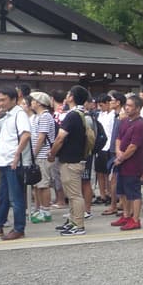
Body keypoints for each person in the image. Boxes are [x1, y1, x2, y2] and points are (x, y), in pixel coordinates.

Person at [0, 86, 31, 241]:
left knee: (15, 197)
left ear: (13, 99)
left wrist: (17, 155)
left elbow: (26, 135)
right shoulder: (7, 115)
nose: (0, 103)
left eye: (3, 100)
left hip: (12, 162)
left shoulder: (19, 114)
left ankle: (19, 228)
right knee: (3, 196)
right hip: (4, 161)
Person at [50, 86, 89, 237]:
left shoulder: (72, 115)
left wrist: (52, 154)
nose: (66, 96)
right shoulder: (79, 114)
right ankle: (73, 221)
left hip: (71, 161)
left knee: (74, 195)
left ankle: (78, 225)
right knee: (72, 194)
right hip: (74, 159)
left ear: (71, 97)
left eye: (68, 93)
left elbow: (60, 138)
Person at [113, 94, 143, 231]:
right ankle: (126, 215)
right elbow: (118, 139)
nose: (127, 108)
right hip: (122, 162)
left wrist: (121, 157)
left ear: (138, 108)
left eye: (130, 105)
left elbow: (133, 146)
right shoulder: (125, 121)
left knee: (134, 192)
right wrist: (118, 152)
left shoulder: (140, 124)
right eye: (126, 105)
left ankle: (135, 219)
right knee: (122, 191)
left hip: (133, 164)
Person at [28, 91, 55, 223]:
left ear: (39, 103)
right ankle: (39, 209)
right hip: (38, 155)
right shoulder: (38, 117)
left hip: (43, 155)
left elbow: (41, 137)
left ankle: (45, 210)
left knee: (43, 184)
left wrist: (33, 153)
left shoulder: (45, 117)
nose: (31, 103)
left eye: (33, 101)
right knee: (37, 184)